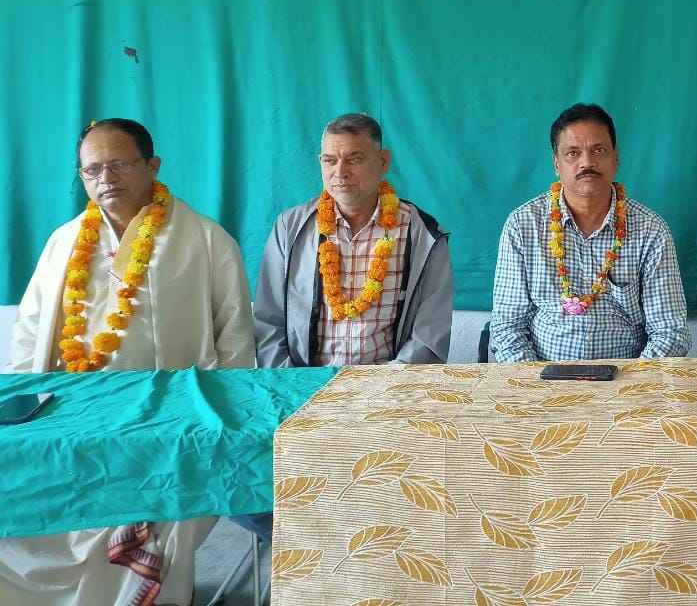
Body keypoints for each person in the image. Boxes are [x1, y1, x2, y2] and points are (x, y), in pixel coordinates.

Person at [2, 118, 255, 606]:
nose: (106, 179)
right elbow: (30, 333)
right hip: (77, 420)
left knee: (162, 515)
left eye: (119, 164)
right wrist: (26, 415)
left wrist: (222, 421)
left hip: (172, 425)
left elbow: (235, 339)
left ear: (152, 166)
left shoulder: (207, 240)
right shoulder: (63, 243)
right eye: (92, 170)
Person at [490, 103, 690, 361]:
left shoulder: (651, 231)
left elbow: (670, 332)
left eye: (599, 150)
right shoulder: (522, 226)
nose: (587, 162)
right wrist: (535, 382)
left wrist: (634, 381)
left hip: (628, 375)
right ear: (556, 164)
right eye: (573, 153)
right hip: (543, 375)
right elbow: (507, 327)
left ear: (616, 159)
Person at [254, 112, 453, 369]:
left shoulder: (423, 233)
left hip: (390, 383)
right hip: (304, 383)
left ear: (383, 161)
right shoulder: (289, 228)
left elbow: (429, 336)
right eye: (330, 161)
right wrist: (293, 383)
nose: (340, 172)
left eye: (354, 159)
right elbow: (269, 325)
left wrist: (386, 387)